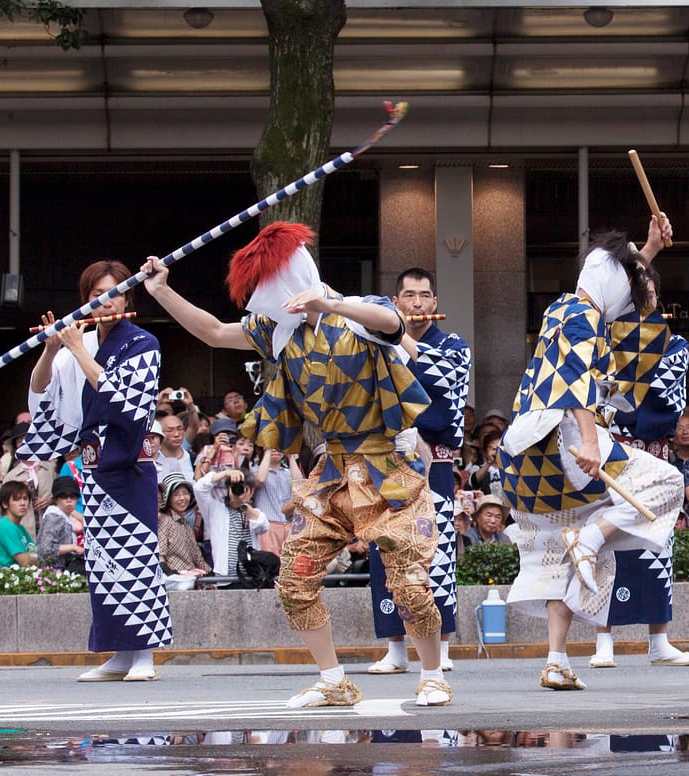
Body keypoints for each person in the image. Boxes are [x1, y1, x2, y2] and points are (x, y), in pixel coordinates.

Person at [141, 221, 451, 708]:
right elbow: (216, 332)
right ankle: (333, 679)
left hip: (388, 464)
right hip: (330, 472)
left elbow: (392, 324)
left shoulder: (354, 314)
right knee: (295, 578)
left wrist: (328, 303)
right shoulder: (278, 331)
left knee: (409, 582)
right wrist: (162, 292)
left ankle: (433, 673)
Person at [500, 218, 684, 692]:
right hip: (563, 439)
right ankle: (591, 536)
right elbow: (576, 380)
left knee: (575, 549)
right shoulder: (580, 316)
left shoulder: (567, 310)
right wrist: (587, 441)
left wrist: (651, 248)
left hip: (529, 457)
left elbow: (621, 276)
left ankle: (557, 658)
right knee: (667, 482)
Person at [21, 260, 171, 682]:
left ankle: (144, 655)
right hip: (93, 468)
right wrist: (52, 350)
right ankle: (120, 652)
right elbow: (42, 397)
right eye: (96, 296)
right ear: (86, 302)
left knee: (137, 557)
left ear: (127, 297)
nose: (106, 302)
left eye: (114, 294)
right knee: (103, 561)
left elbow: (125, 402)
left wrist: (78, 349)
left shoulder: (144, 342)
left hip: (131, 467)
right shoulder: (78, 343)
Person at [367, 267, 473, 677]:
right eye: (408, 296)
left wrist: (397, 336)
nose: (417, 303)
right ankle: (395, 647)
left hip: (436, 461)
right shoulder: (379, 347)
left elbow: (444, 397)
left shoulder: (453, 346)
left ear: (434, 303)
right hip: (388, 462)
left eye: (424, 296)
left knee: (438, 550)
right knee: (386, 549)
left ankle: (441, 643)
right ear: (396, 303)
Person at [590, 292, 689, 669]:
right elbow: (596, 398)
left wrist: (625, 387)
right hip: (613, 452)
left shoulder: (675, 345)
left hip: (653, 453)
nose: (643, 302)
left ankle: (659, 640)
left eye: (649, 294)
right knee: (605, 545)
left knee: (658, 545)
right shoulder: (601, 341)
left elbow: (663, 409)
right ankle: (603, 639)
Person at [194, 467, 270, 578]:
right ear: (228, 489)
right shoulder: (215, 509)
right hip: (225, 577)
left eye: (244, 489)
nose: (238, 491)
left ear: (251, 491)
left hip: (251, 576)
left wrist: (242, 504)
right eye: (234, 487)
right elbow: (199, 488)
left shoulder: (253, 512)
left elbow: (263, 526)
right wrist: (226, 473)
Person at [156, 473, 210, 576]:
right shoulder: (164, 521)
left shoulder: (186, 525)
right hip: (176, 582)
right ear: (168, 499)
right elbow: (159, 556)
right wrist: (177, 574)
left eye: (185, 493)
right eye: (176, 494)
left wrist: (211, 575)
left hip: (191, 579)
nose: (182, 498)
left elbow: (198, 558)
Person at [37, 478, 87, 571]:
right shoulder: (54, 517)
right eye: (64, 497)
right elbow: (45, 550)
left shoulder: (67, 517)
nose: (69, 500)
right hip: (52, 574)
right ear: (56, 499)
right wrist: (74, 548)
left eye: (72, 497)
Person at [0, 482, 40, 567]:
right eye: (16, 499)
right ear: (5, 504)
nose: (22, 503)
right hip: (7, 577)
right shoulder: (6, 526)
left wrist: (36, 556)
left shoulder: (19, 527)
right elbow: (24, 561)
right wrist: (40, 557)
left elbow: (34, 551)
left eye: (25, 498)